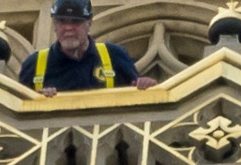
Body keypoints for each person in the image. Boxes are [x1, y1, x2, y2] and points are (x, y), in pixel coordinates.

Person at [16, 0, 157, 96]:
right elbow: (17, 114)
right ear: (54, 25)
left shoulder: (114, 55)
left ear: (89, 23)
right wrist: (38, 101)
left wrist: (147, 86)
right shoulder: (35, 64)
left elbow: (138, 98)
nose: (68, 28)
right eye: (61, 21)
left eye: (76, 22)